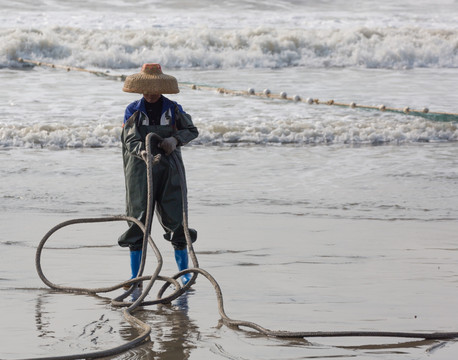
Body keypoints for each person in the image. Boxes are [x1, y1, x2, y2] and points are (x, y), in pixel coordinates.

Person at [118, 63, 198, 286]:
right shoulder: (133, 110)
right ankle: (137, 277)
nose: (150, 94)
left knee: (177, 219)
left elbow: (191, 130)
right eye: (146, 90)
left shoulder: (173, 109)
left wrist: (175, 139)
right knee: (138, 221)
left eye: (154, 89)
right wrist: (142, 151)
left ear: (161, 88)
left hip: (170, 170)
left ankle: (184, 274)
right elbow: (129, 138)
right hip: (139, 170)